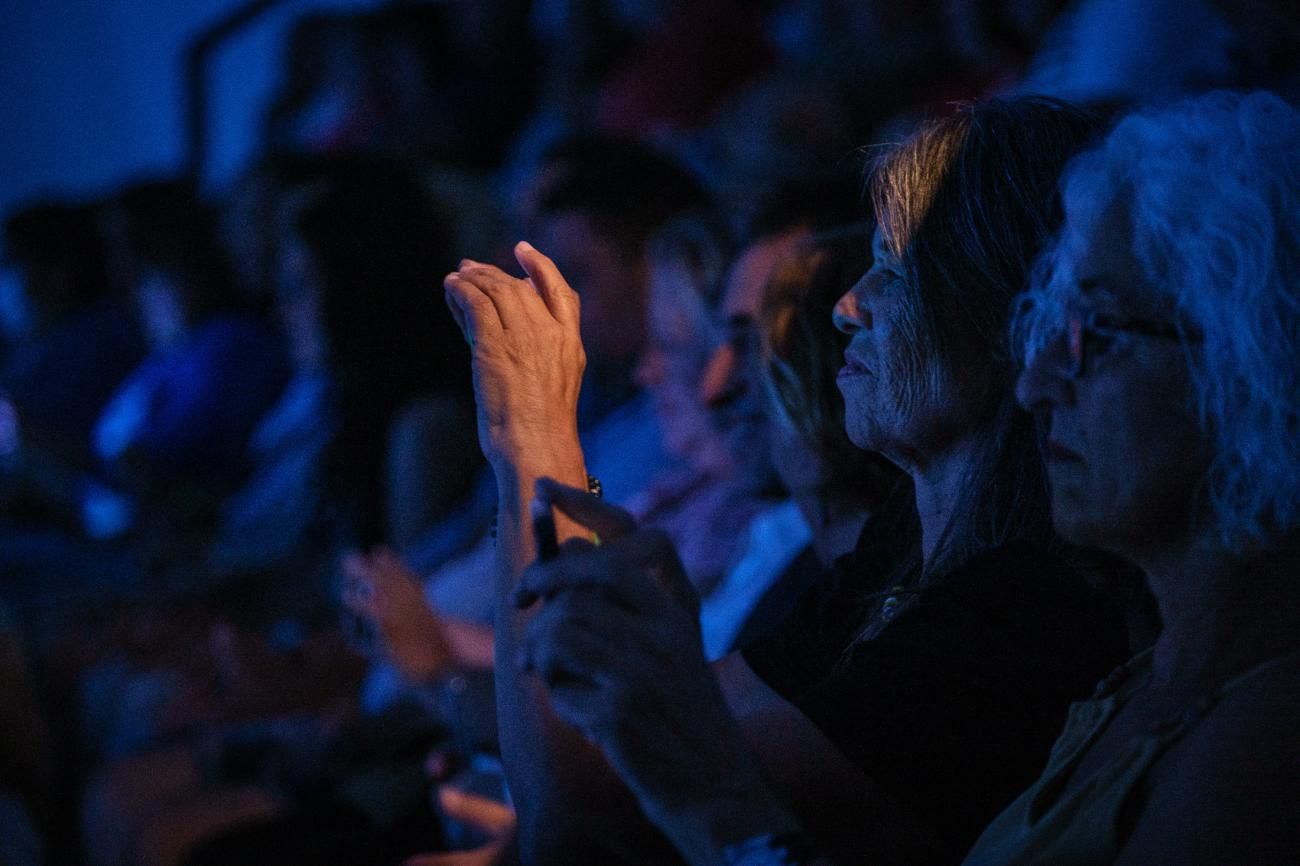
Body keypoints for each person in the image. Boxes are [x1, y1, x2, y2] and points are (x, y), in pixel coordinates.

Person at [443, 97, 1128, 864]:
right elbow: (629, 742)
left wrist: (531, 437)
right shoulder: (897, 555)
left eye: (897, 271)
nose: (846, 307)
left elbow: (584, 812)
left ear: (1009, 307)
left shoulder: (1021, 617)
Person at [963, 90, 1300, 864]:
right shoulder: (1141, 680)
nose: (1034, 385)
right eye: (1056, 323)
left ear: (1260, 365)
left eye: (1101, 329)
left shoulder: (1271, 738)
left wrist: (723, 810)